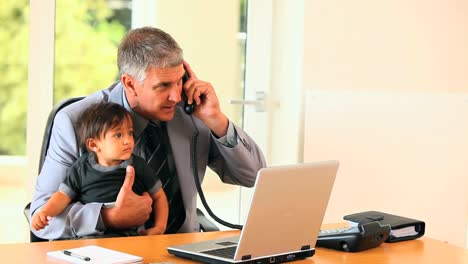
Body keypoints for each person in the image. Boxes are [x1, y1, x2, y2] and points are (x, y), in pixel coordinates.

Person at [30, 26, 266, 240]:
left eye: (178, 81)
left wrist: (216, 120)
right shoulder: (75, 121)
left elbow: (253, 175)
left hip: (182, 247)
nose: (175, 95)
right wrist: (108, 217)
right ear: (129, 83)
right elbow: (40, 220)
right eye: (163, 85)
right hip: (109, 252)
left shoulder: (191, 111)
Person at [31, 102, 168, 236]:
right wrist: (45, 213)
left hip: (130, 236)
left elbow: (159, 196)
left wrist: (159, 227)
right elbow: (63, 196)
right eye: (118, 135)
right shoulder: (81, 168)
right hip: (90, 236)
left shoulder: (138, 165)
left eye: (130, 133)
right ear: (94, 144)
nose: (128, 140)